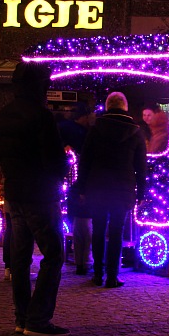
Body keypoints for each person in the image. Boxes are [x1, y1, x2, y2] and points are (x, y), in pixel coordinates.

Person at [0, 63, 69, 336]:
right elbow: (55, 158)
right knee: (54, 254)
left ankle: (22, 317)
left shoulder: (7, 112)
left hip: (14, 192)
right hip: (40, 193)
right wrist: (61, 174)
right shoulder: (41, 115)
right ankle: (38, 319)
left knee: (20, 258)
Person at [76, 92, 146, 288]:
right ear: (125, 107)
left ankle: (97, 274)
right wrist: (141, 192)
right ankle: (112, 276)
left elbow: (85, 160)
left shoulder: (96, 128)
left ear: (107, 107)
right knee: (117, 232)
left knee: (98, 230)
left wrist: (81, 187)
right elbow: (141, 166)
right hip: (123, 189)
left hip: (97, 186)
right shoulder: (136, 132)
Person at [59, 102, 96, 275]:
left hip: (68, 182)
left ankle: (79, 258)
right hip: (83, 182)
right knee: (86, 223)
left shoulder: (63, 128)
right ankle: (86, 260)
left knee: (78, 222)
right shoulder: (81, 133)